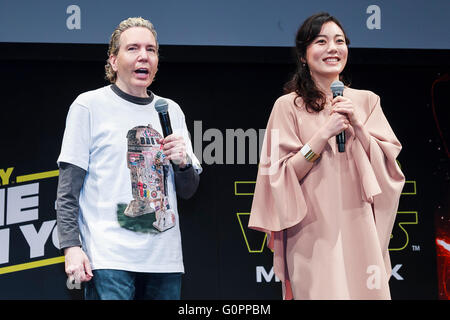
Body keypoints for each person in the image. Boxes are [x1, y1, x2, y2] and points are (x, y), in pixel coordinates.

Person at [248, 12, 405, 300]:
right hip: (312, 233)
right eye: (321, 41)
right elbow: (278, 175)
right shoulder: (287, 106)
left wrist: (358, 126)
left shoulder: (367, 102)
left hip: (362, 228)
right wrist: (321, 136)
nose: (333, 48)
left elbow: (390, 170)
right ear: (304, 55)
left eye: (339, 41)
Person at [56, 17, 202, 300]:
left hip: (164, 260)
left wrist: (182, 163)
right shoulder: (88, 106)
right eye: (133, 48)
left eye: (151, 49)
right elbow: (68, 190)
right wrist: (71, 247)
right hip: (109, 257)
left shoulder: (170, 110)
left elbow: (187, 191)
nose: (143, 56)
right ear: (113, 61)